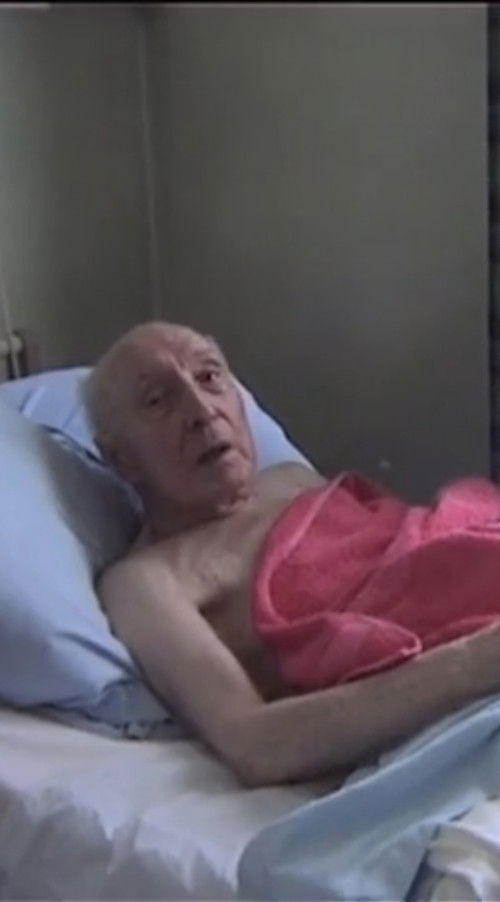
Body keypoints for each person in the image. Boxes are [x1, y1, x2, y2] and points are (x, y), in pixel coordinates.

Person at [85, 320, 500, 787]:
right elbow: (257, 745)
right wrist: (475, 661)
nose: (202, 410)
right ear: (122, 459)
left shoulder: (290, 481)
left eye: (210, 377)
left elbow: (421, 548)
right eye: (158, 401)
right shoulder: (148, 582)